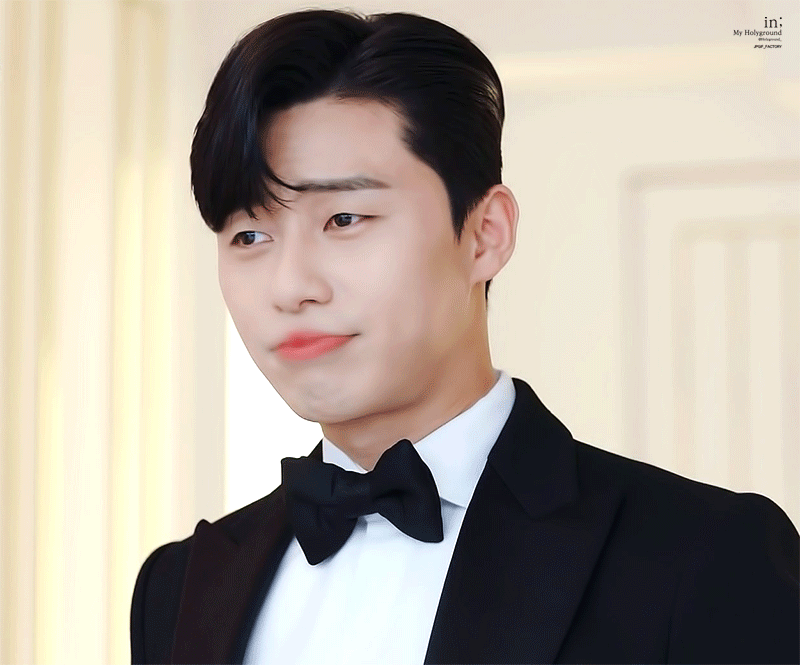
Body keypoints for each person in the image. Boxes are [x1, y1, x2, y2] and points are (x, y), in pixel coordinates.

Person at [130, 9, 799, 664]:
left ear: (485, 235)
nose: (290, 285)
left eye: (344, 219)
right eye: (249, 235)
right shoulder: (180, 587)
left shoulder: (702, 555)